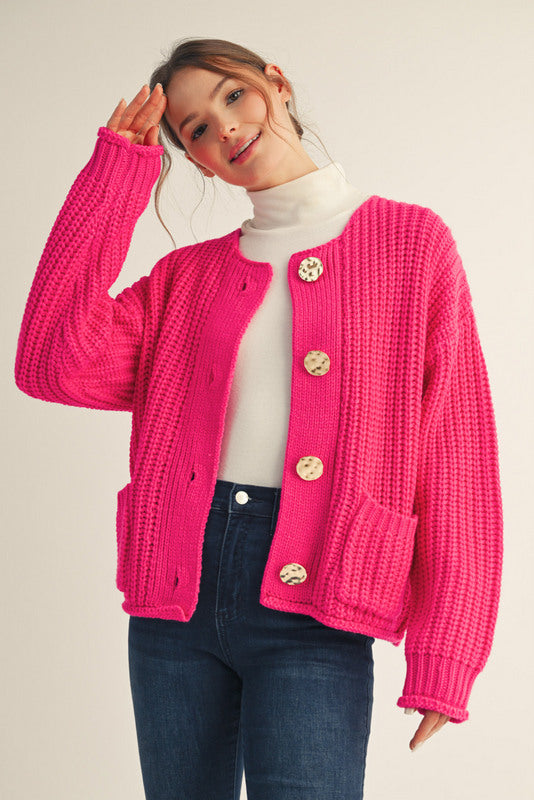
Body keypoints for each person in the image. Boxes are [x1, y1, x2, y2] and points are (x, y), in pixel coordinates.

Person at [14, 37, 503, 800]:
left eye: (233, 97)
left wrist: (447, 650)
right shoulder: (187, 276)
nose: (225, 129)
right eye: (196, 130)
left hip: (320, 601)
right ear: (197, 161)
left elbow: (457, 451)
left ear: (274, 83)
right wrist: (115, 180)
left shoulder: (411, 244)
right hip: (177, 590)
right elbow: (51, 361)